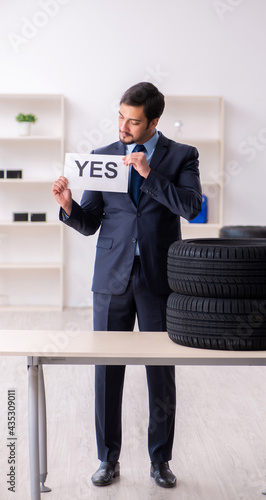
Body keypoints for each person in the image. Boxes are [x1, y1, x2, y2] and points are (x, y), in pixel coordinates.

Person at [52, 82, 202, 489]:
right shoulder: (102, 158)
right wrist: (68, 207)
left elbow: (191, 206)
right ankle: (107, 459)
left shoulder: (182, 156)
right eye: (120, 116)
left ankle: (160, 462)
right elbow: (90, 223)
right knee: (107, 372)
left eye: (133, 121)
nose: (124, 126)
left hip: (159, 280)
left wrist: (148, 173)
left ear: (153, 122)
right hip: (111, 280)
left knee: (161, 374)